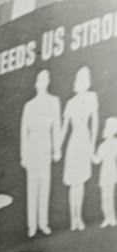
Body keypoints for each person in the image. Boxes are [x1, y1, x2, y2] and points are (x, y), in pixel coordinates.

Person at [19, 69, 61, 237]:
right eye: (39, 80)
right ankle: (32, 225)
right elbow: (24, 131)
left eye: (45, 80)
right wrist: (23, 155)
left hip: (45, 149)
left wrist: (57, 149)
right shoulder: (29, 105)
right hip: (32, 150)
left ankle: (43, 223)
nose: (41, 83)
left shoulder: (53, 102)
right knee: (32, 187)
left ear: (47, 82)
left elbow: (56, 126)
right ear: (36, 84)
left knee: (45, 187)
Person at [60, 66, 99, 232]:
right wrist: (58, 147)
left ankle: (79, 217)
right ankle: (73, 218)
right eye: (80, 79)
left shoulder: (92, 97)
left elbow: (95, 123)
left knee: (81, 183)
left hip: (85, 141)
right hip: (74, 142)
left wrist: (92, 146)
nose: (83, 82)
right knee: (73, 183)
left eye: (85, 79)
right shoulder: (71, 103)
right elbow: (64, 128)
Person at [94, 116, 117, 228]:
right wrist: (90, 153)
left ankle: (112, 218)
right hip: (104, 172)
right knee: (104, 196)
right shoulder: (102, 146)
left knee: (110, 195)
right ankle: (106, 218)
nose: (106, 129)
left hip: (112, 170)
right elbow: (97, 161)